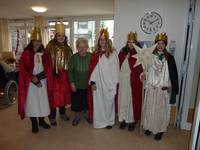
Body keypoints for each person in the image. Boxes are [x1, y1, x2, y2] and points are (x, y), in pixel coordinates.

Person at [141, 33, 179, 140]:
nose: (160, 45)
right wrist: (143, 75)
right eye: (158, 43)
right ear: (156, 44)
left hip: (163, 89)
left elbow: (173, 75)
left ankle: (160, 130)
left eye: (162, 43)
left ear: (165, 44)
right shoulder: (150, 56)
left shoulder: (169, 58)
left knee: (160, 110)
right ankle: (149, 127)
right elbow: (146, 70)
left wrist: (171, 86)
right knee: (150, 108)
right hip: (152, 88)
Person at [18, 27, 53, 133]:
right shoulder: (26, 53)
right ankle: (34, 123)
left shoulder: (45, 53)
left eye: (39, 41)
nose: (37, 43)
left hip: (42, 82)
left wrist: (39, 78)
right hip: (30, 84)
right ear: (31, 41)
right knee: (32, 103)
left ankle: (41, 121)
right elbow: (22, 69)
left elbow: (48, 67)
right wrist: (32, 79)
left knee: (42, 102)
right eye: (35, 41)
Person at [87, 28, 119, 129]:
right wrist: (92, 82)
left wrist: (114, 84)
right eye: (101, 39)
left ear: (107, 40)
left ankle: (109, 122)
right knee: (99, 103)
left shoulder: (113, 53)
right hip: (98, 83)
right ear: (98, 41)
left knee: (109, 103)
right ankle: (99, 121)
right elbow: (92, 69)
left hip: (109, 83)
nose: (102, 41)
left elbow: (116, 69)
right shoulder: (95, 53)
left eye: (104, 39)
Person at [46, 22, 73, 126]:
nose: (61, 37)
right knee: (53, 96)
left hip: (64, 76)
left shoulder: (68, 48)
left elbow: (71, 62)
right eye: (59, 35)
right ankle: (52, 117)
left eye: (63, 36)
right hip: (53, 76)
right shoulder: (50, 46)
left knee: (63, 95)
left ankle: (62, 113)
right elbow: (46, 61)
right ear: (55, 36)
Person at [117, 32, 143, 131]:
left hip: (134, 80)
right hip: (123, 80)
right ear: (127, 42)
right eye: (129, 42)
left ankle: (132, 120)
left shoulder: (139, 53)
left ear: (136, 42)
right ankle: (123, 119)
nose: (131, 44)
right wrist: (125, 58)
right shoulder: (123, 51)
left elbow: (141, 68)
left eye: (133, 42)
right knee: (123, 99)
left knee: (132, 100)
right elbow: (118, 64)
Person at [68, 38, 91, 126]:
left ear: (87, 47)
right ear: (77, 47)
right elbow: (70, 71)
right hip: (77, 85)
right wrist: (72, 83)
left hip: (88, 85)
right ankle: (77, 116)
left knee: (87, 101)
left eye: (84, 47)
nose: (82, 49)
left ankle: (88, 115)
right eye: (80, 47)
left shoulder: (91, 56)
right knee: (77, 102)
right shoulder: (73, 57)